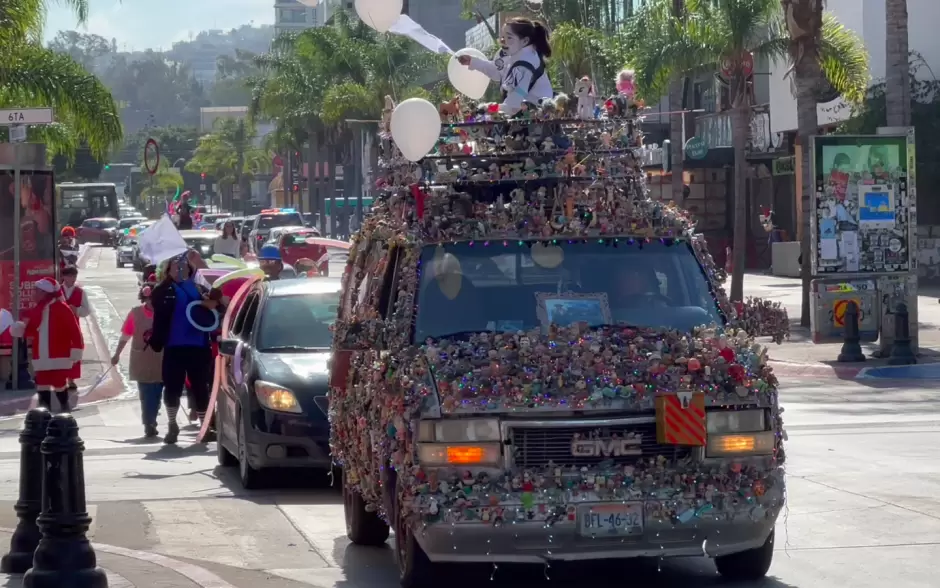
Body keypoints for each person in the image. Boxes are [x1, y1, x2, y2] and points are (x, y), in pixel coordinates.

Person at [149, 253, 223, 444]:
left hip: (198, 346)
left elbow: (219, 302)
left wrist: (212, 302)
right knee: (172, 387)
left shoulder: (199, 288)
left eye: (183, 266)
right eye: (175, 266)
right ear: (168, 270)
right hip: (173, 346)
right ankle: (172, 425)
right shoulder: (163, 290)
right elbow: (157, 308)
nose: (179, 269)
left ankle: (204, 427)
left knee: (200, 388)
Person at [10, 278, 83, 412]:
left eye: (36, 291)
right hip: (41, 356)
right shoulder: (37, 310)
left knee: (60, 384)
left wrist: (77, 349)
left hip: (59, 355)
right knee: (42, 385)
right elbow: (31, 330)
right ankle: (45, 413)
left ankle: (64, 410)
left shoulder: (62, 308)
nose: (33, 294)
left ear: (44, 293)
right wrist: (20, 329)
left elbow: (74, 330)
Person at [458, 17, 553, 115]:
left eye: (509, 37)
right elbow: (496, 71)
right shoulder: (512, 53)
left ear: (525, 41)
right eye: (502, 37)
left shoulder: (524, 65)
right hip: (523, 115)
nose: (503, 41)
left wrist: (488, 109)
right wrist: (473, 62)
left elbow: (513, 104)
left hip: (536, 118)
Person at [111, 281, 164, 438]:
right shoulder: (135, 313)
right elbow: (125, 336)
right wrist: (116, 354)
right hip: (141, 358)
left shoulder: (165, 314)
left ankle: (152, 418)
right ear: (144, 299)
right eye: (148, 299)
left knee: (157, 392)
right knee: (146, 392)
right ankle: (149, 422)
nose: (151, 303)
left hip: (161, 358)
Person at [60, 265, 91, 391]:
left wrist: (76, 310)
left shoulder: (80, 292)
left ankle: (71, 379)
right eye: (69, 276)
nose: (72, 279)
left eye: (74, 276)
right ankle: (61, 378)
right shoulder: (57, 291)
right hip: (59, 326)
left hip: (74, 325)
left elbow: (86, 310)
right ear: (63, 277)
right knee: (60, 352)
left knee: (74, 351)